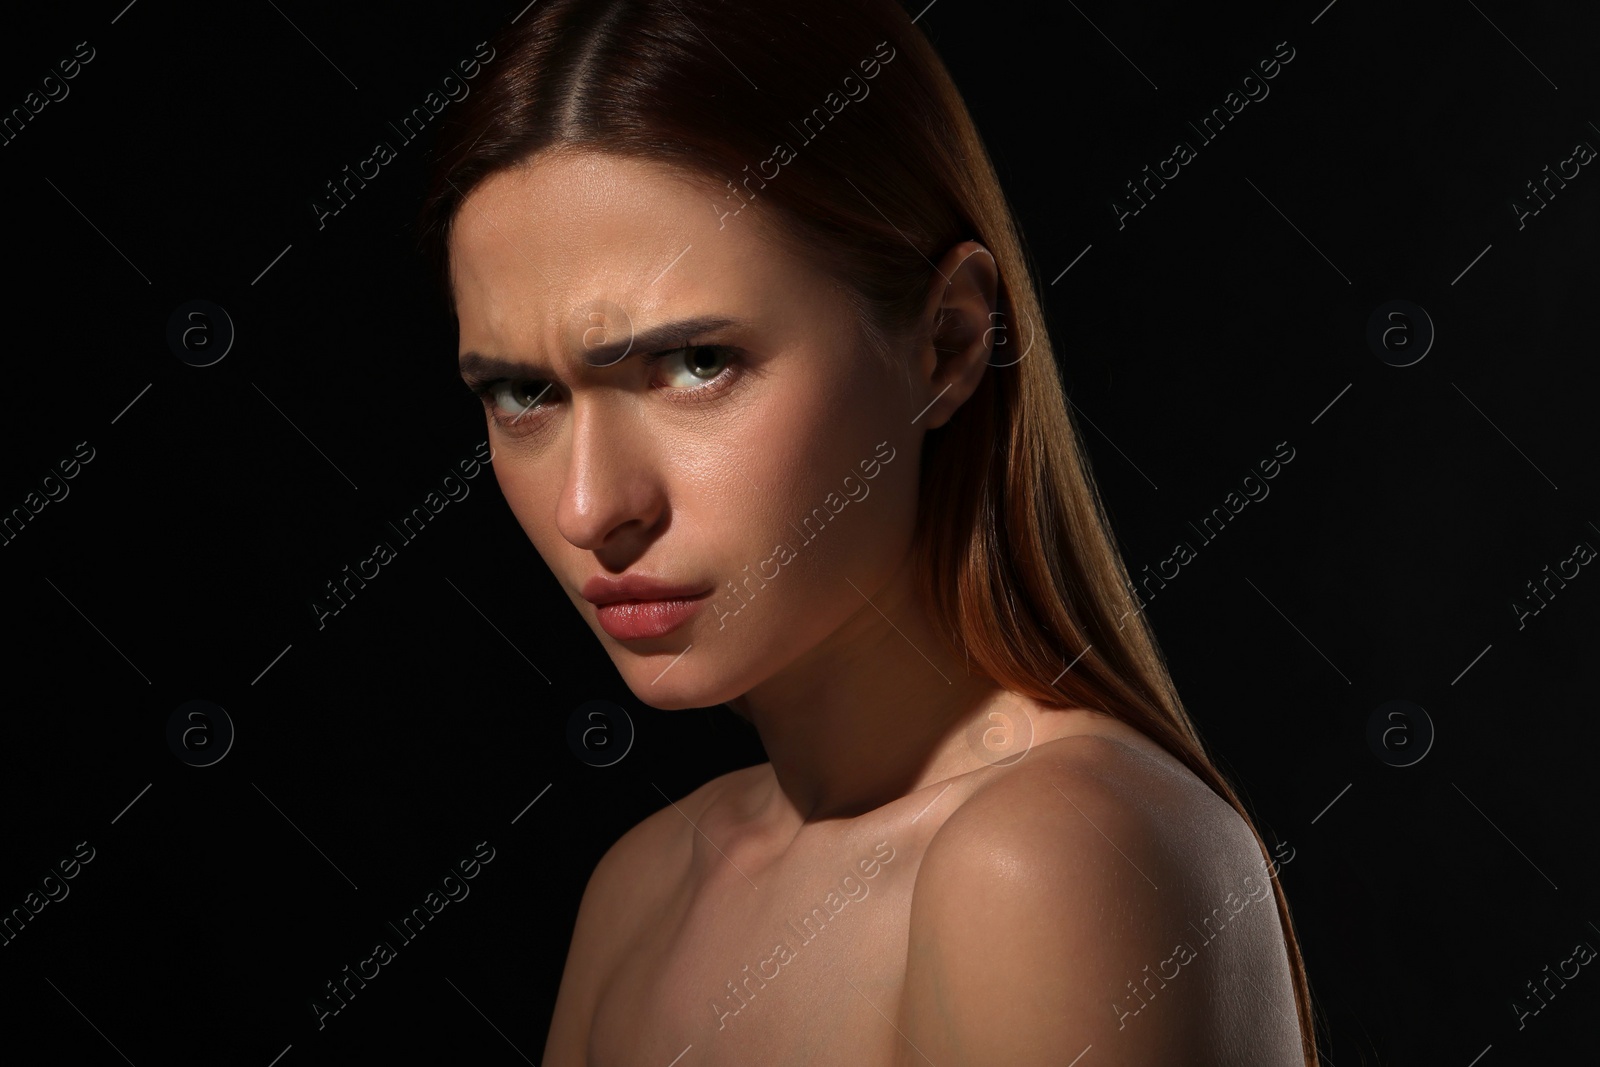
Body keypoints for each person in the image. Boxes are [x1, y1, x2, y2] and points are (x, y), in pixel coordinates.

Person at [418, 1, 1319, 1063]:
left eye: (697, 363)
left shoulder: (1051, 857)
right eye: (525, 391)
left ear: (944, 345)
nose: (589, 506)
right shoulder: (641, 888)